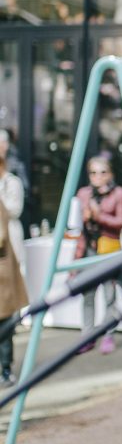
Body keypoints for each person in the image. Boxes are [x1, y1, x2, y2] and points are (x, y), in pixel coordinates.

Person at [75, 156, 122, 354]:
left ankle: (108, 335)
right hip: (88, 249)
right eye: (93, 173)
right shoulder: (83, 194)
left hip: (109, 251)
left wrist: (99, 216)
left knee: (109, 295)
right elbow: (75, 222)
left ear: (110, 174)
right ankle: (87, 336)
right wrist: (84, 217)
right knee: (87, 295)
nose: (98, 176)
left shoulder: (118, 193)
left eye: (103, 172)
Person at [0, 151, 28, 387]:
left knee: (4, 317)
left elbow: (13, 211)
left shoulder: (12, 183)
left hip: (5, 262)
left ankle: (6, 369)